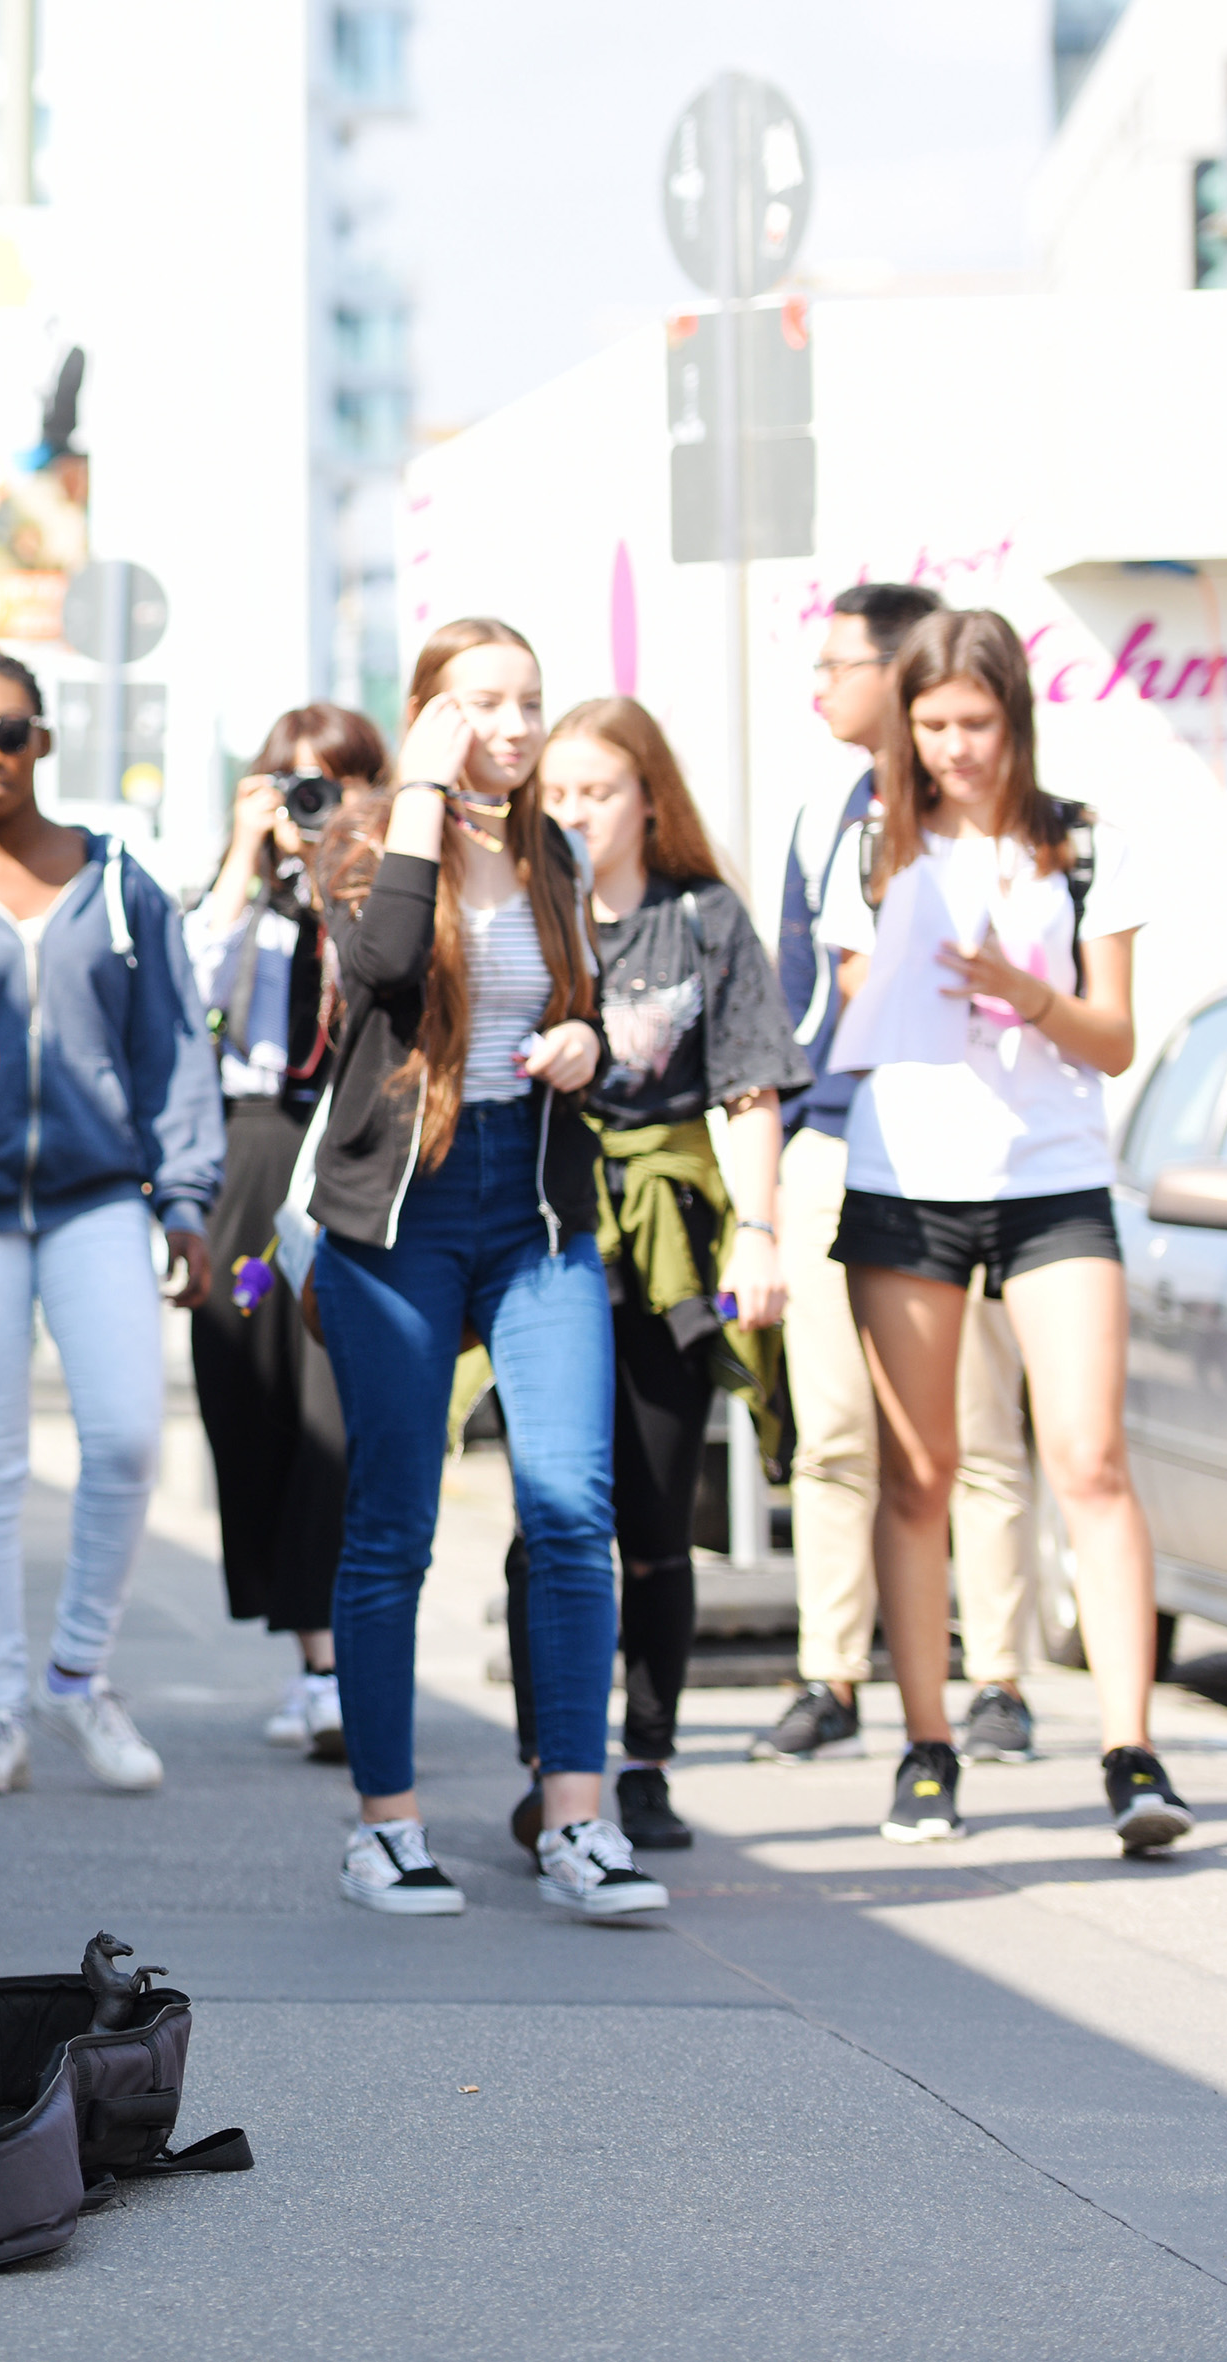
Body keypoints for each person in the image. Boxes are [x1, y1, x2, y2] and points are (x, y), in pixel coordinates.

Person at [302, 617, 664, 1921]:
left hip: (536, 1210)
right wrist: (409, 797)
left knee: (570, 1506)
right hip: (395, 1214)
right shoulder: (355, 841)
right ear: (425, 715)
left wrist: (577, 1036)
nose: (509, 729)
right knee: (391, 1520)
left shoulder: (551, 851)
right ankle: (385, 1826)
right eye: (477, 706)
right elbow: (384, 971)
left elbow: (580, 1006)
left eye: (525, 704)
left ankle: (576, 1816)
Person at [813, 608, 1191, 1854]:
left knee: (1087, 1458)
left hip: (1054, 1174)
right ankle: (927, 1748)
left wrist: (1031, 992)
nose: (956, 747)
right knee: (917, 1472)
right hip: (909, 1176)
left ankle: (1133, 1754)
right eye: (932, 724)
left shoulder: (1084, 847)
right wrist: (919, 971)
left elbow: (1115, 1036)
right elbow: (857, 1007)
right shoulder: (872, 846)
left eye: (976, 722)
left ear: (1015, 717)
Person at [0, 649, 225, 1797]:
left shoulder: (119, 878)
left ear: (44, 738)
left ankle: (78, 1674)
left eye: (6, 731)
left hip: (97, 1195)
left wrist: (186, 1195)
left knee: (129, 1437)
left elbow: (176, 1044)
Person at [507, 697, 808, 1853]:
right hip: (550, 1220)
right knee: (551, 1508)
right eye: (561, 792)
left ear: (649, 800)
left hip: (673, 1224)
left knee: (656, 1513)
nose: (578, 811)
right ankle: (553, 1764)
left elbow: (747, 1087)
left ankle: (644, 1759)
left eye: (601, 790)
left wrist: (761, 1232)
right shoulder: (525, 910)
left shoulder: (704, 916)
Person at [760, 582, 1041, 1769]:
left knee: (974, 1427)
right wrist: (767, 1188)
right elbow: (788, 1009)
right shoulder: (832, 819)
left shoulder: (1012, 833)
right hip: (838, 1137)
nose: (819, 685)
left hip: (971, 1147)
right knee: (831, 1430)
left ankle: (1000, 1678)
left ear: (906, 675)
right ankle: (833, 1670)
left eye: (840, 665)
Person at [187, 704, 386, 1763]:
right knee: (253, 1402)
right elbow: (189, 1002)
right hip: (253, 1151)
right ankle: (308, 1649)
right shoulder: (249, 899)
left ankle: (332, 1665)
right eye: (295, 784)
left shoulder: (390, 887)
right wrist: (242, 857)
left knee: (338, 1415)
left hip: (356, 1149)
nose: (318, 804)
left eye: (339, 782)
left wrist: (352, 865)